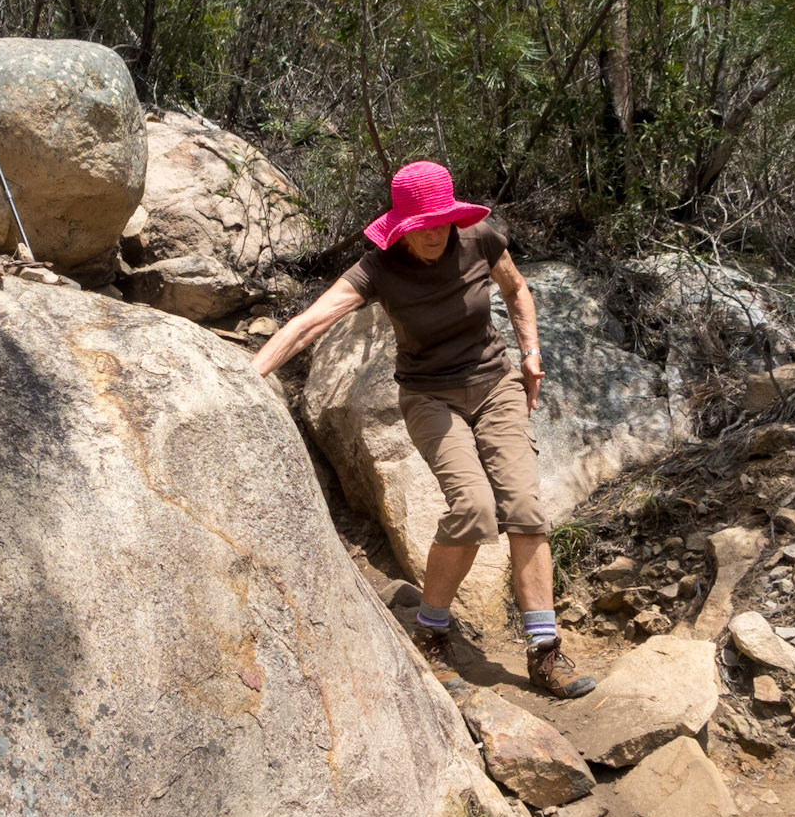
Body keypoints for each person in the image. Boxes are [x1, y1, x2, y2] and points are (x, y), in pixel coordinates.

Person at [253, 159, 595, 701]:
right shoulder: (379, 268)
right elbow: (310, 322)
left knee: (526, 507)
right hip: (429, 394)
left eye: (443, 222)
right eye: (422, 226)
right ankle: (433, 634)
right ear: (401, 227)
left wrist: (530, 353)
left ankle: (544, 651)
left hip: (494, 385)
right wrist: (246, 377)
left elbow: (517, 289)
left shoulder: (480, 238)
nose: (435, 234)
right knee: (474, 509)